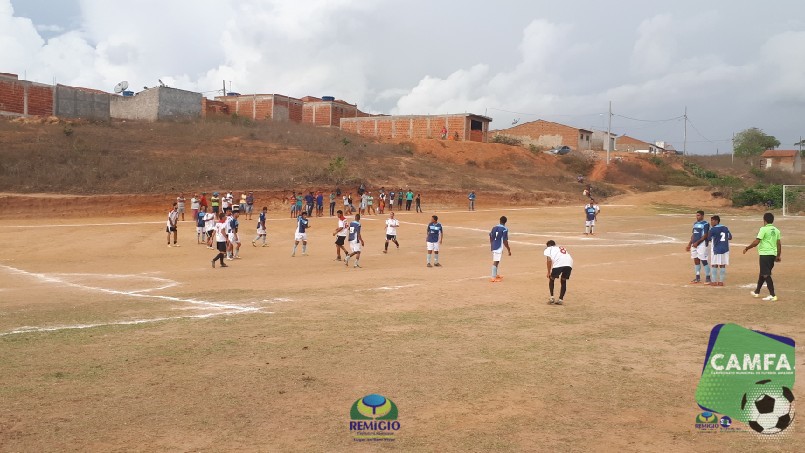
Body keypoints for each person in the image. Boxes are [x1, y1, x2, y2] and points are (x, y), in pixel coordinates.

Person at [743, 212, 782, 301]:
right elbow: (779, 244)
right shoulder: (776, 230)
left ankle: (772, 295)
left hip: (765, 254)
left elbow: (756, 242)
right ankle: (757, 292)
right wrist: (778, 255)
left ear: (764, 220)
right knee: (763, 273)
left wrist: (747, 248)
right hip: (772, 255)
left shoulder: (763, 229)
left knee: (766, 274)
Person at [694, 215, 731, 286]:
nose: (711, 222)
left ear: (717, 221)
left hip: (716, 249)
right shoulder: (725, 228)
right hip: (725, 249)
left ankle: (714, 281)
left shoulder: (713, 229)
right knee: (722, 265)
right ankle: (721, 281)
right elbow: (730, 237)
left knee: (714, 264)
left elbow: (709, 238)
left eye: (712, 220)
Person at [685, 210, 711, 284]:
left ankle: (708, 278)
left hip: (702, 244)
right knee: (696, 260)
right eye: (696, 215)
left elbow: (705, 235)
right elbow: (693, 234)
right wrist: (689, 244)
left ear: (702, 216)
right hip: (694, 244)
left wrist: (697, 242)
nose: (697, 217)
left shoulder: (705, 224)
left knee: (703, 260)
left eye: (699, 215)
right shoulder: (695, 224)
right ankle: (697, 277)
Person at [544, 240, 573, 305]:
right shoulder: (560, 248)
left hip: (559, 263)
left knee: (551, 278)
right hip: (569, 263)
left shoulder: (549, 249)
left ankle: (552, 298)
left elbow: (549, 261)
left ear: (548, 246)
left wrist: (548, 272)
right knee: (563, 280)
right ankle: (560, 299)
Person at [489, 216, 512, 282]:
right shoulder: (504, 229)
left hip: (494, 245)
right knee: (495, 261)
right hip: (498, 246)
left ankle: (495, 274)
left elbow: (490, 236)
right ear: (505, 222)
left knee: (497, 260)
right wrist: (508, 249)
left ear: (500, 220)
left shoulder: (494, 227)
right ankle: (493, 277)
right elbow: (505, 241)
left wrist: (491, 245)